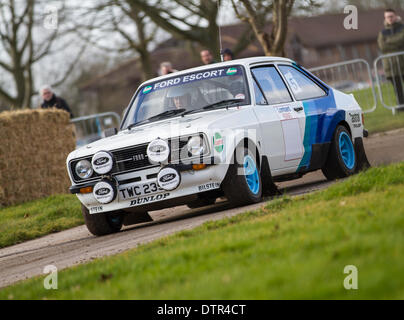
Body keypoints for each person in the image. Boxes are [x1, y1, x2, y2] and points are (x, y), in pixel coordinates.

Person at [377, 8, 404, 109]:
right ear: (385, 18)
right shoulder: (383, 32)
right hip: (391, 66)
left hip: (403, 62)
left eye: (391, 16)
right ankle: (401, 107)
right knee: (397, 89)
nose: (390, 18)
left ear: (396, 16)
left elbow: (402, 40)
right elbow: (382, 46)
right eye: (388, 17)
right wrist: (397, 43)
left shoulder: (402, 27)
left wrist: (389, 41)